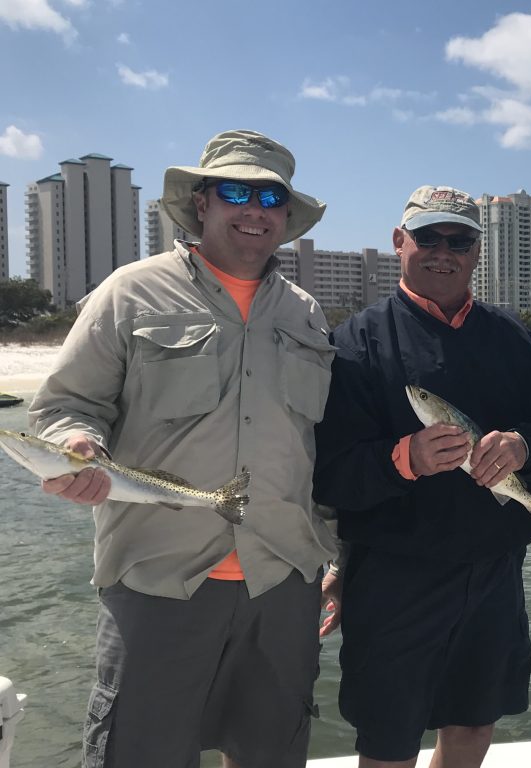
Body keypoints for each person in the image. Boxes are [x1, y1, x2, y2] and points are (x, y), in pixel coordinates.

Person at [29, 129, 338, 768]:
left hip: (282, 583)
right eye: (235, 191)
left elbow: (319, 452)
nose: (254, 209)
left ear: (287, 214)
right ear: (202, 202)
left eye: (271, 197)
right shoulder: (130, 292)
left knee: (271, 755)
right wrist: (76, 445)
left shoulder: (307, 313)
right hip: (157, 581)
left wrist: (338, 556)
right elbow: (64, 408)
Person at [313, 185, 531, 768]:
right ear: (399, 242)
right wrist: (402, 458)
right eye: (428, 237)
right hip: (390, 576)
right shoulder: (355, 342)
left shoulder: (514, 337)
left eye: (458, 240)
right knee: (388, 739)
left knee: (473, 724)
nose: (443, 251)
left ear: (477, 251)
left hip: (494, 570)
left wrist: (524, 445)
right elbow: (327, 474)